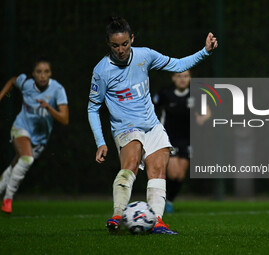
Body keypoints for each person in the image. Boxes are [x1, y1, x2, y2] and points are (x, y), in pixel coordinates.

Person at [88, 16, 217, 234]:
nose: (121, 50)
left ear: (132, 39)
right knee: (130, 162)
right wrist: (100, 142)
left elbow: (177, 64)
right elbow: (93, 108)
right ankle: (118, 214)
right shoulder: (102, 71)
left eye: (125, 44)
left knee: (158, 170)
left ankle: (157, 221)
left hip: (152, 125)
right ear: (108, 44)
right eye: (115, 45)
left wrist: (205, 51)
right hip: (125, 127)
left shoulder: (145, 55)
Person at [0, 57, 69, 214]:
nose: (43, 75)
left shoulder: (57, 90)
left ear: (51, 73)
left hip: (40, 140)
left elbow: (64, 119)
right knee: (27, 158)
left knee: (14, 167)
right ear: (33, 74)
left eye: (46, 72)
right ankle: (8, 199)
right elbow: (12, 80)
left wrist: (49, 108)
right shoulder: (27, 84)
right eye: (39, 72)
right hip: (21, 128)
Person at [153, 70, 191, 213]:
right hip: (170, 137)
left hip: (188, 138)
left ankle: (169, 201)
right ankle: (160, 199)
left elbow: (205, 111)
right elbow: (153, 108)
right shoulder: (165, 93)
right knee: (173, 172)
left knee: (180, 174)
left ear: (189, 78)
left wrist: (204, 116)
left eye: (186, 76)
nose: (183, 79)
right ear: (174, 78)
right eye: (179, 76)